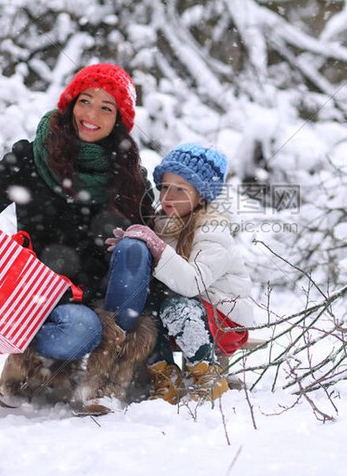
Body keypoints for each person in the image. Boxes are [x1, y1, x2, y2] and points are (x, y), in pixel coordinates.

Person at [0, 63, 157, 412]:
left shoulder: (129, 175)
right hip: (41, 298)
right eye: (86, 101)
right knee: (82, 330)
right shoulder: (33, 158)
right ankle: (27, 362)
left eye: (106, 107)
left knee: (137, 247)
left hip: (106, 299)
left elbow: (155, 254)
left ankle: (110, 376)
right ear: (70, 103)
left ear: (119, 120)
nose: (92, 115)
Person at [107, 143, 258, 403]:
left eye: (180, 189)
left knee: (177, 305)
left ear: (201, 196)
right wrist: (134, 248)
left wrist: (155, 245)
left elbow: (191, 283)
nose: (168, 197)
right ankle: (166, 377)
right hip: (189, 314)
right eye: (165, 187)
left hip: (224, 323)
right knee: (144, 308)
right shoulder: (165, 224)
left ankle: (207, 374)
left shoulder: (213, 230)